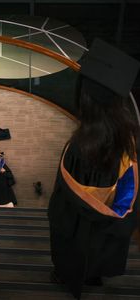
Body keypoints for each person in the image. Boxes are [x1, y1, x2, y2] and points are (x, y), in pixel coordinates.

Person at [48, 38, 140, 299]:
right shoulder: (130, 138)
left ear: (85, 99)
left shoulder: (80, 147)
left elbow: (68, 199)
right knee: (99, 247)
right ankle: (95, 275)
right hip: (108, 223)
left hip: (78, 222)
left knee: (73, 246)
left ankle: (66, 276)